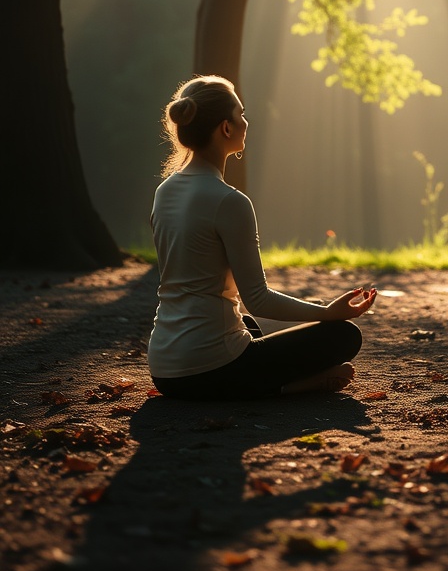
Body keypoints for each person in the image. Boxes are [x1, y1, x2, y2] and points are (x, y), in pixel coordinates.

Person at [147, 74, 376, 399]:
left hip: (166, 371)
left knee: (247, 328)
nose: (245, 121)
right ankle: (290, 387)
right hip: (213, 368)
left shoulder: (164, 191)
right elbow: (258, 299)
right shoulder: (230, 201)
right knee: (343, 336)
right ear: (226, 128)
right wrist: (326, 313)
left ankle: (274, 383)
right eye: (241, 114)